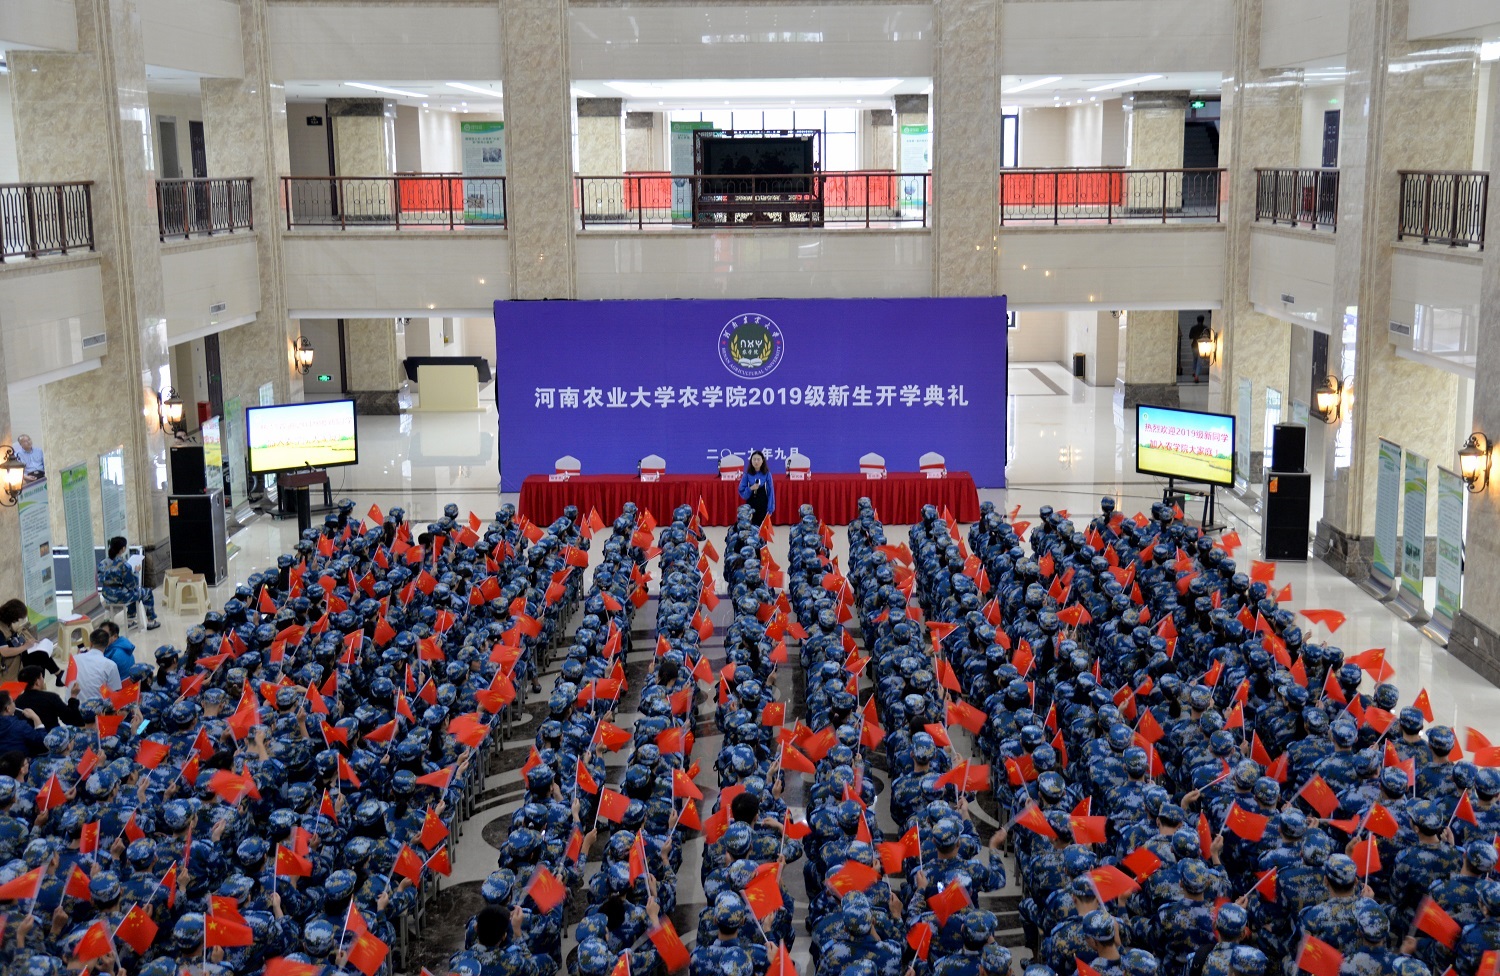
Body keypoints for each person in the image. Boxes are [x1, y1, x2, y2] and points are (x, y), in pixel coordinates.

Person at [98, 535, 159, 630]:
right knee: (147, 593)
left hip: (107, 595)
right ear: (123, 549)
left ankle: (130, 620)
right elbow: (132, 585)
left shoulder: (103, 563)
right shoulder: (123, 565)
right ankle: (151, 621)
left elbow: (100, 578)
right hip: (120, 596)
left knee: (132, 593)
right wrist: (136, 572)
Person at [0, 597, 63, 684]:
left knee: (41, 655)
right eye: (17, 619)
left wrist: (28, 643)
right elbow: (5, 652)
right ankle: (56, 675)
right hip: (10, 662)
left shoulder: (6, 623)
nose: (17, 621)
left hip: (18, 654)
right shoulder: (1, 629)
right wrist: (25, 646)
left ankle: (56, 675)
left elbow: (12, 639)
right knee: (41, 657)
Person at [14, 665, 83, 728]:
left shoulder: (17, 701)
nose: (43, 680)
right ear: (37, 682)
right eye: (41, 677)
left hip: (28, 736)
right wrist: (73, 696)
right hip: (51, 735)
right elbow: (71, 719)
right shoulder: (51, 697)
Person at [70, 628, 123, 703]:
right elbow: (115, 692)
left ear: (90, 643)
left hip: (71, 706)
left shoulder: (74, 659)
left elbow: (65, 682)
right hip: (96, 708)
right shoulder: (110, 665)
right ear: (107, 644)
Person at [0, 690, 46, 756]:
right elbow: (44, 743)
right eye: (13, 701)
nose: (14, 703)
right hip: (21, 761)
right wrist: (36, 718)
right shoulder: (20, 726)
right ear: (8, 709)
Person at [737, 451, 775, 526]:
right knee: (751, 527)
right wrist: (750, 488)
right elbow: (741, 490)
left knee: (762, 528)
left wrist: (770, 509)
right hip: (751, 504)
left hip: (763, 504)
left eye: (758, 459)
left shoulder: (767, 474)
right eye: (754, 459)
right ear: (751, 461)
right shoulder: (747, 474)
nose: (756, 462)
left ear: (762, 461)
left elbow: (770, 492)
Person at [1189, 315, 1211, 383]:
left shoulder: (1193, 328)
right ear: (1203, 320)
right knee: (1200, 361)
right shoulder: (1205, 328)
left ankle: (1194, 371)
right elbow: (1209, 336)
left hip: (1194, 345)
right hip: (1203, 346)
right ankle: (1196, 376)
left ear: (1197, 320)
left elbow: (1190, 336)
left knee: (1195, 359)